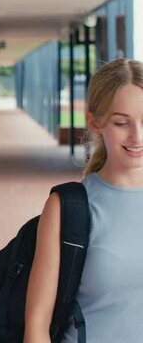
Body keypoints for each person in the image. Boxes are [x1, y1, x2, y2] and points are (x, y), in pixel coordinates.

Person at [25, 58, 143, 342]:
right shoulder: (68, 208)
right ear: (95, 122)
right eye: (121, 123)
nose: (137, 135)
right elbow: (37, 329)